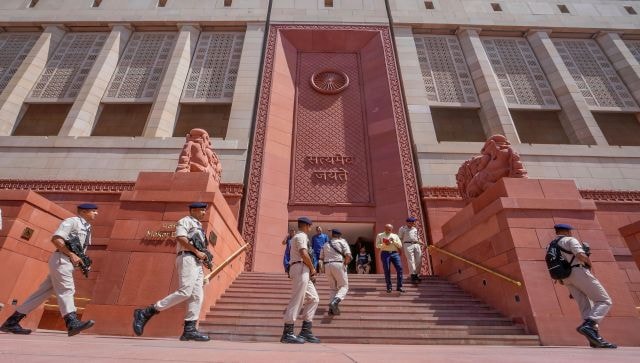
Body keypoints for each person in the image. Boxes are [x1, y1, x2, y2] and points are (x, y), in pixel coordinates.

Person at [0, 203, 98, 336]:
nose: (96, 214)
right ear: (83, 212)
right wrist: (71, 254)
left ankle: (12, 322)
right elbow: (56, 239)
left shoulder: (87, 228)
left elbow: (80, 249)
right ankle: (72, 322)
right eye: (93, 211)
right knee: (67, 289)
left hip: (68, 262)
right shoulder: (71, 222)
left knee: (42, 293)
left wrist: (82, 263)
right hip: (61, 259)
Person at [132, 202, 213, 342]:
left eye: (204, 211)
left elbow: (200, 245)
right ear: (193, 210)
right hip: (187, 257)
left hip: (196, 262)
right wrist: (196, 252)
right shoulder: (185, 221)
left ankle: (190, 329)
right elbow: (180, 237)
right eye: (201, 210)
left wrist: (204, 256)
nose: (203, 213)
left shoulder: (199, 226)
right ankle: (147, 311)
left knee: (197, 295)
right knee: (186, 291)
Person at [554, 223, 617, 349]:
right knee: (604, 300)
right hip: (579, 272)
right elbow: (580, 255)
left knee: (586, 307)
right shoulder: (570, 240)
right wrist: (589, 262)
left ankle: (594, 340)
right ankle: (589, 325)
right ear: (567, 231)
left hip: (565, 277)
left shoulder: (551, 245)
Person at [281, 217, 320, 344]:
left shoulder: (297, 237)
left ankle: (305, 331)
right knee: (297, 299)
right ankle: (288, 333)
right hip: (301, 267)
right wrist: (312, 268)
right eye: (310, 226)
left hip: (302, 268)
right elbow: (303, 253)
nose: (310, 228)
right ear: (305, 225)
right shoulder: (301, 236)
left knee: (314, 298)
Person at [318, 229, 352, 315]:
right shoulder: (342, 242)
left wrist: (321, 269)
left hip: (327, 266)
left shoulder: (325, 244)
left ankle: (331, 309)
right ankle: (335, 302)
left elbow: (320, 258)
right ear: (339, 235)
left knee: (333, 288)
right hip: (338, 264)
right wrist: (345, 265)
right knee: (344, 286)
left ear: (332, 235)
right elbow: (348, 255)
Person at [375, 224, 404, 293]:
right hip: (385, 253)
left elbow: (400, 245)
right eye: (387, 229)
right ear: (384, 228)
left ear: (392, 229)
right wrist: (385, 243)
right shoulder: (380, 235)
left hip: (394, 253)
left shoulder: (395, 236)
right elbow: (377, 245)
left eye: (390, 229)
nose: (388, 230)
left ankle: (399, 287)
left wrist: (394, 241)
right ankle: (389, 287)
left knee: (399, 268)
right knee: (387, 269)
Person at [398, 217, 425, 283]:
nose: (413, 223)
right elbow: (400, 238)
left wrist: (421, 242)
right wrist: (399, 247)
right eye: (412, 222)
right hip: (408, 245)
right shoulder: (402, 228)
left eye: (413, 222)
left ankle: (417, 274)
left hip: (416, 244)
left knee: (419, 260)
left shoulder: (415, 229)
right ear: (408, 222)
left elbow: (417, 237)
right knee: (411, 260)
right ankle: (413, 275)